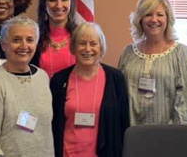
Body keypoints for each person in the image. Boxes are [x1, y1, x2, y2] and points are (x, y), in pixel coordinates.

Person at [0, 16, 54, 157]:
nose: (24, 46)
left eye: (30, 40)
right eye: (16, 40)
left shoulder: (42, 77)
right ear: (3, 45)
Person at [50, 23, 130, 157]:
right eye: (82, 43)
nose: (87, 49)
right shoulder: (59, 80)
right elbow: (53, 124)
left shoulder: (115, 79)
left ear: (101, 47)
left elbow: (123, 124)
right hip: (67, 153)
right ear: (74, 47)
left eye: (93, 44)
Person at [118, 0, 187, 125]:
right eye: (148, 14)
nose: (154, 20)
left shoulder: (181, 53)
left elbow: (186, 102)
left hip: (167, 137)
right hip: (131, 134)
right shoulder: (128, 53)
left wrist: (172, 134)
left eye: (160, 15)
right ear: (140, 19)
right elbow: (120, 96)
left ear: (168, 19)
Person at [37, 0, 78, 78]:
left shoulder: (80, 36)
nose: (59, 5)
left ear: (71, 3)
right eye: (52, 0)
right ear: (44, 4)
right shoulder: (34, 36)